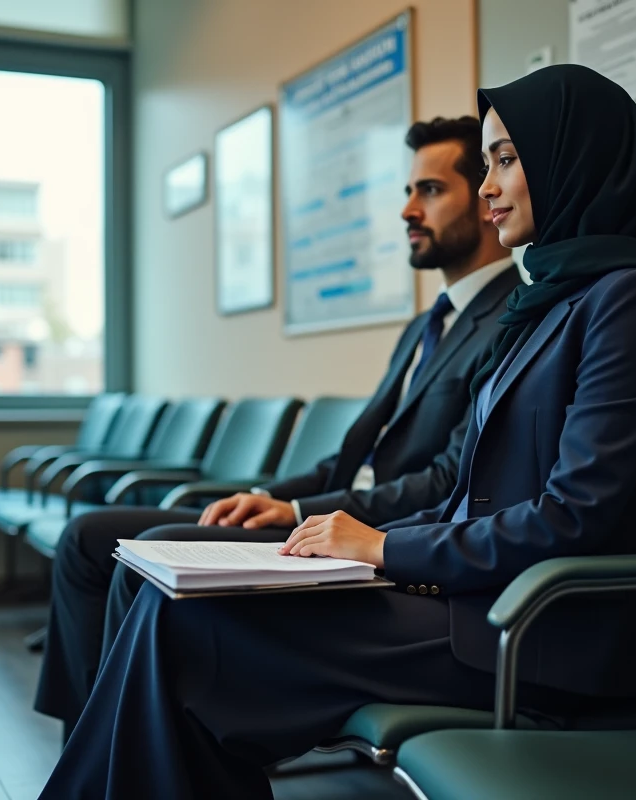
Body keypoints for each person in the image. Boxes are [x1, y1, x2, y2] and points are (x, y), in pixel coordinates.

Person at [39, 64, 636, 799]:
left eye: (505, 160)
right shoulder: (556, 299)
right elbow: (469, 493)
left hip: (540, 633)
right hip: (470, 600)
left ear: (572, 155)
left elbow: (578, 516)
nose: (491, 186)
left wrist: (384, 547)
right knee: (168, 606)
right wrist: (363, 549)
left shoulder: (629, 300)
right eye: (488, 163)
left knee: (183, 631)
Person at [34, 116, 522, 739]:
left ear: (483, 201)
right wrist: (276, 497)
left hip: (378, 537)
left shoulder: (510, 320)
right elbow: (354, 455)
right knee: (90, 539)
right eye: (407, 191)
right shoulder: (426, 326)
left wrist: (297, 511)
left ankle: (108, 752)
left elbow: (446, 483)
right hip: (328, 515)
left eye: (428, 191)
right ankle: (94, 747)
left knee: (146, 557)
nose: (407, 209)